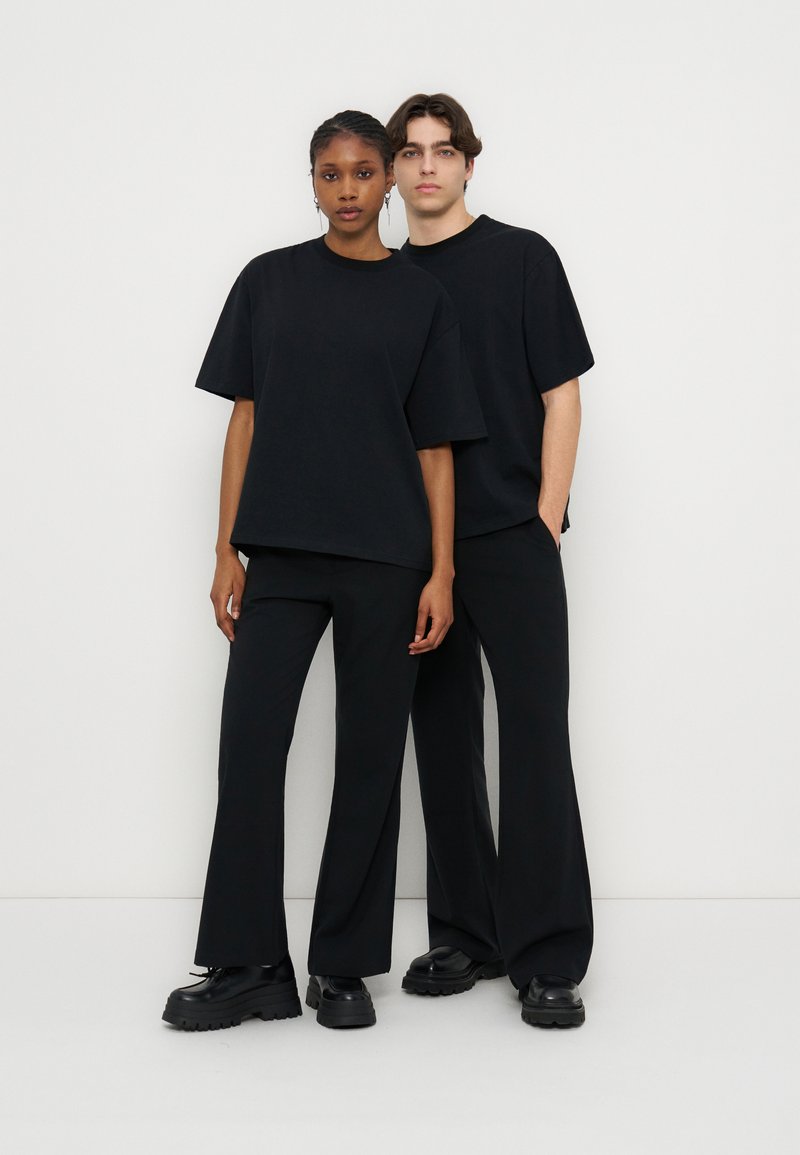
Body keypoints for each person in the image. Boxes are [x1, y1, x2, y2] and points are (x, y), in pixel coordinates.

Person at [161, 110, 487, 1032]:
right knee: (250, 743)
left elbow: (436, 450)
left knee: (369, 759)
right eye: (330, 173)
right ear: (311, 182)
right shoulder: (268, 282)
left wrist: (442, 571)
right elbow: (244, 419)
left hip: (388, 556)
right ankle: (248, 963)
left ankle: (341, 965)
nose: (347, 189)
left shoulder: (422, 300)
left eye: (363, 172)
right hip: (282, 552)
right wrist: (224, 547)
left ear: (387, 181)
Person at [385, 93, 595, 1028]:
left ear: (469, 164)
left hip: (512, 533)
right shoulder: (382, 279)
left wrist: (543, 519)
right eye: (411, 152)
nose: (427, 166)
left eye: (444, 150)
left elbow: (562, 394)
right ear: (393, 171)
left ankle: (548, 954)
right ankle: (470, 934)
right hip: (417, 549)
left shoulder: (523, 258)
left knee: (536, 736)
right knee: (442, 738)